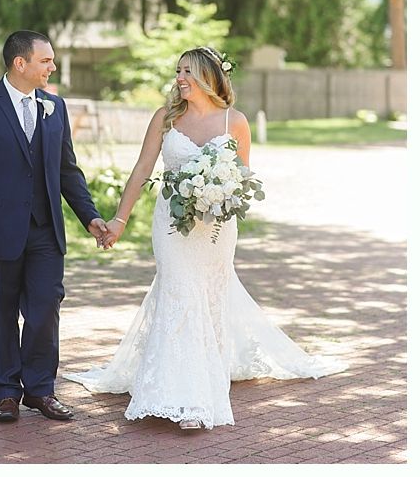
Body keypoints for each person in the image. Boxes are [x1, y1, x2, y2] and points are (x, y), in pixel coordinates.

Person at [64, 46, 347, 430]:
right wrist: (119, 220)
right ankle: (181, 396)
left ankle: (199, 386)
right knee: (179, 293)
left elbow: (242, 180)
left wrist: (218, 193)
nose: (180, 78)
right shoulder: (165, 118)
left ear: (209, 78)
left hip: (214, 231)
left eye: (189, 72)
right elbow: (141, 170)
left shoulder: (236, 121)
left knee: (208, 300)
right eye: (178, 71)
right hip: (171, 226)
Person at [0, 30, 107, 423]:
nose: (52, 67)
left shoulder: (55, 107)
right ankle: (5, 393)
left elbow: (68, 171)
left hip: (45, 231)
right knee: (0, 313)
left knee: (45, 310)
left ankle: (40, 391)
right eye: (46, 61)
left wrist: (90, 217)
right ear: (21, 63)